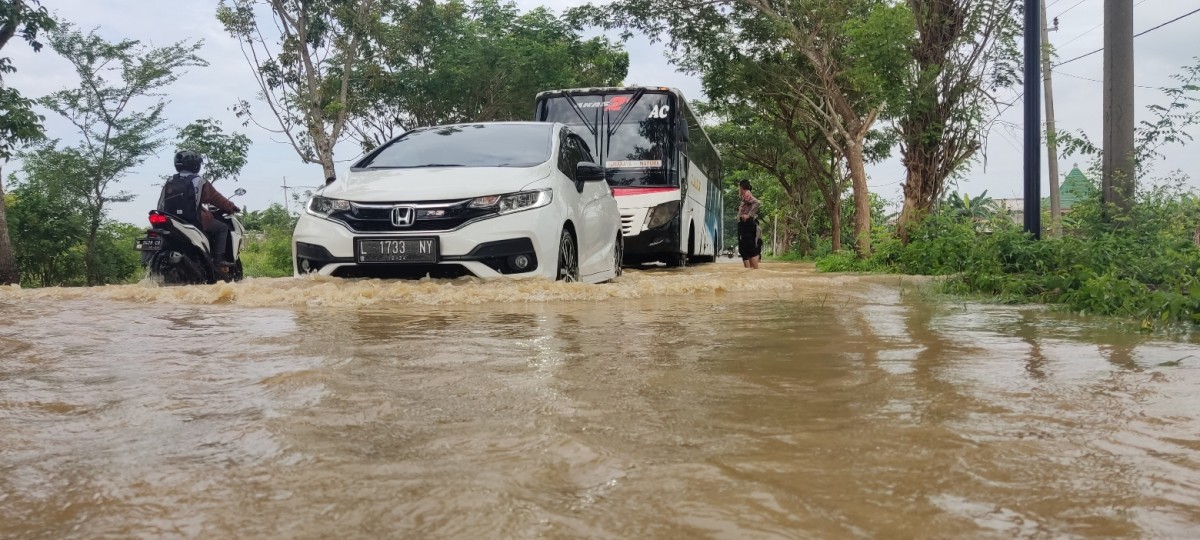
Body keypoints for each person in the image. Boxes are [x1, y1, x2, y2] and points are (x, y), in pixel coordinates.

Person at [160, 150, 240, 270]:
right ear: (195, 164)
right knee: (223, 228)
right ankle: (218, 261)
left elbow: (161, 202)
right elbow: (218, 199)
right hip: (194, 219)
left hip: (171, 220)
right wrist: (231, 207)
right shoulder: (198, 181)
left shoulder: (170, 180)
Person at [737, 179, 762, 269]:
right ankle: (751, 271)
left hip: (747, 224)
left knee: (751, 250)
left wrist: (749, 215)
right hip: (744, 225)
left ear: (741, 187)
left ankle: (756, 271)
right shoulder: (744, 196)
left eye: (739, 187)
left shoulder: (747, 194)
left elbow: (757, 202)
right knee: (745, 249)